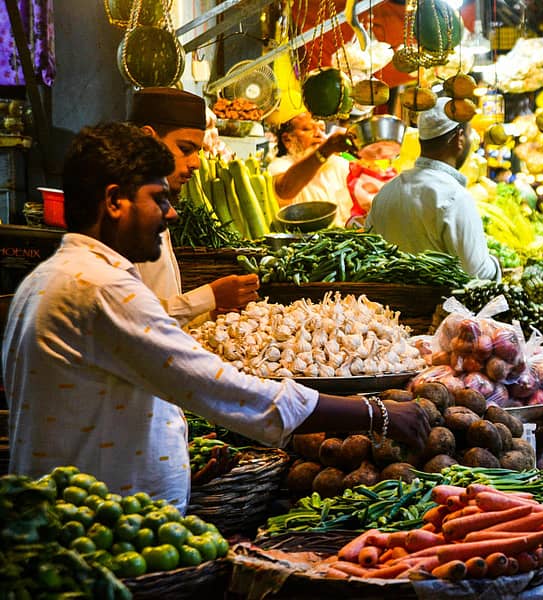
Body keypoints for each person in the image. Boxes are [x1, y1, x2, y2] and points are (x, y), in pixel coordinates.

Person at [0, 122, 429, 511]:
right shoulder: (102, 288)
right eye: (158, 198)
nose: (171, 213)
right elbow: (222, 389)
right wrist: (375, 413)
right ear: (114, 201)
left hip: (89, 518)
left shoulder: (50, 277)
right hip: (99, 528)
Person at [129, 87, 259, 326]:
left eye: (197, 151)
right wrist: (210, 296)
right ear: (147, 140)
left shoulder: (155, 212)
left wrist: (210, 314)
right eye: (185, 149)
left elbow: (164, 314)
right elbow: (131, 317)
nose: (196, 163)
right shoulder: (120, 217)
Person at [366, 97, 501, 281]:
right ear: (459, 138)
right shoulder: (455, 197)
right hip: (440, 308)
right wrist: (495, 264)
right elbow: (477, 274)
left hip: (389, 308)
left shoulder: (386, 192)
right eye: (470, 134)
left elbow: (369, 254)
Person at [269, 111, 357, 227]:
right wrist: (324, 150)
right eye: (308, 129)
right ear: (287, 139)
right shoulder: (280, 166)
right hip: (303, 241)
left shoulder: (341, 165)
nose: (318, 134)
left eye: (322, 129)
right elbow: (284, 190)